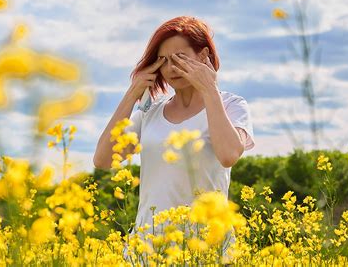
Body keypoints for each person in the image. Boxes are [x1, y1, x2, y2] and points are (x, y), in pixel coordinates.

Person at [93, 16, 255, 264]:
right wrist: (132, 94)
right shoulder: (150, 113)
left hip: (206, 248)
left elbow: (228, 155)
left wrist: (209, 89)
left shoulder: (231, 105)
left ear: (203, 56)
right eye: (164, 61)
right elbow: (103, 159)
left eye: (180, 57)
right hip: (148, 248)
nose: (171, 68)